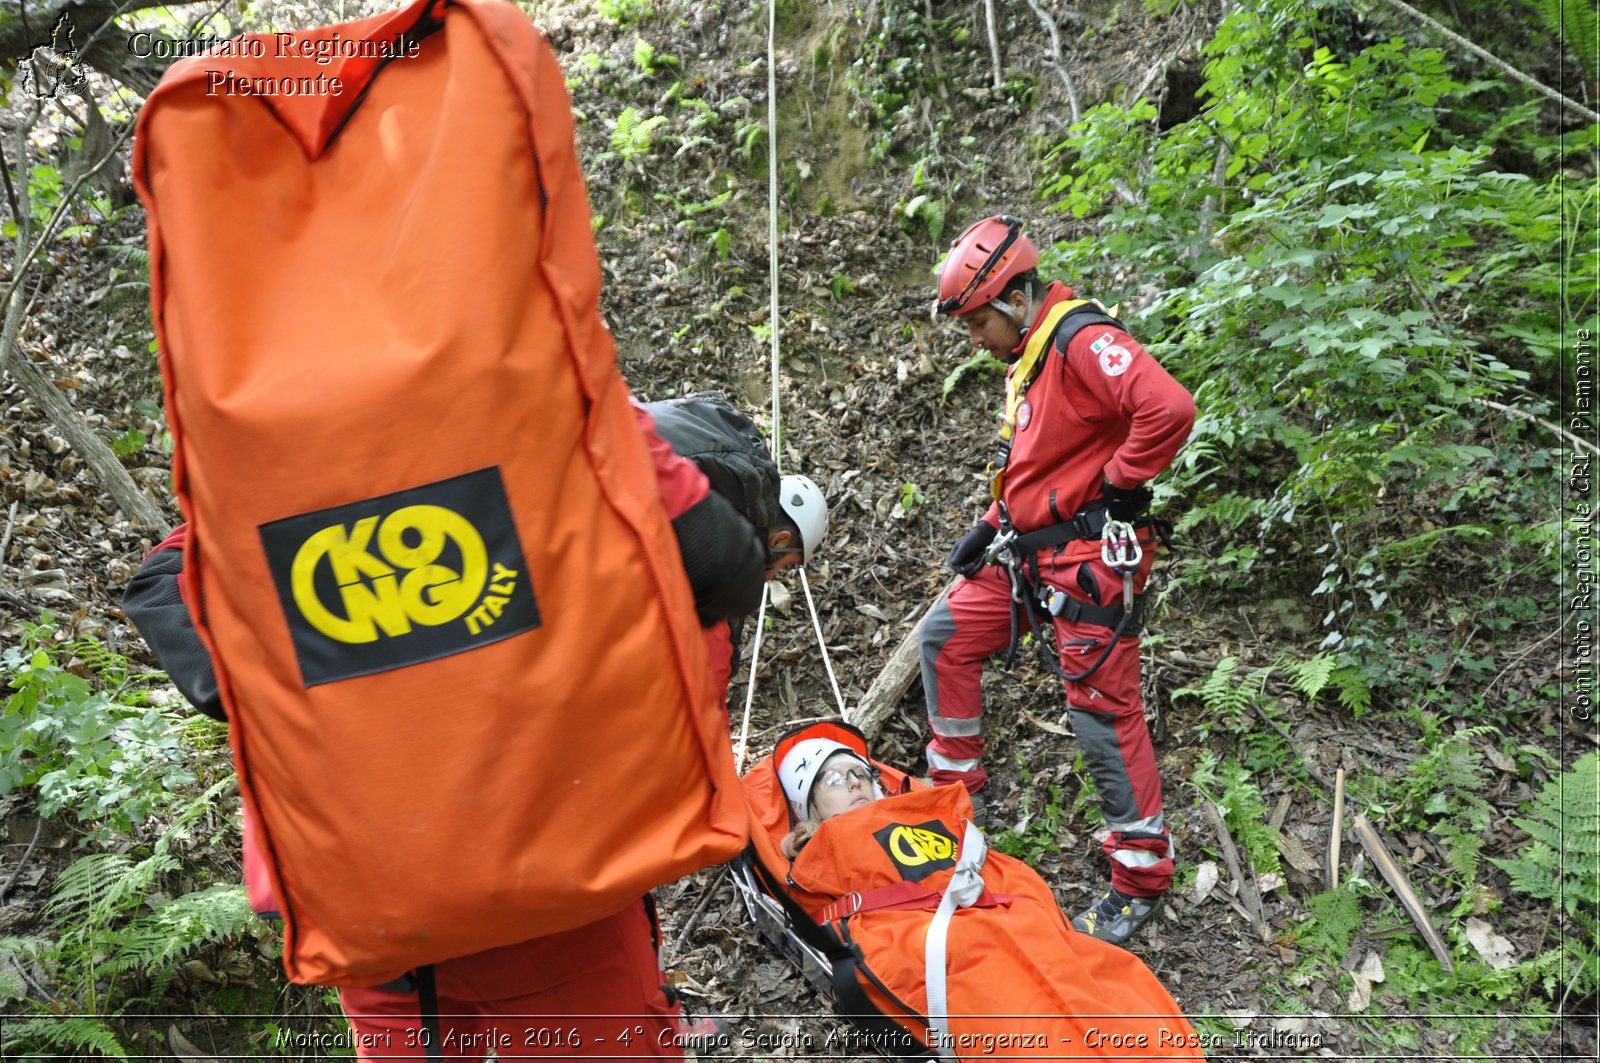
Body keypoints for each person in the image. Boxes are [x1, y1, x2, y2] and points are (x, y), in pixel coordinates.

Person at [123, 401, 828, 1060]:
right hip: (552, 920)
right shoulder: (668, 589)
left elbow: (164, 580)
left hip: (364, 911)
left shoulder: (354, 472)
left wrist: (302, 677)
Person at [921, 214, 1195, 948]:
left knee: (1101, 713)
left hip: (1087, 563)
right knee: (944, 637)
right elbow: (1040, 459)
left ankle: (1140, 877)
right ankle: (956, 809)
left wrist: (1122, 486)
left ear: (1014, 298)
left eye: (978, 322)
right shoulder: (1032, 356)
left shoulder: (1078, 340)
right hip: (1025, 553)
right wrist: (992, 519)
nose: (975, 340)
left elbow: (1168, 407)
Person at [775, 737, 886, 857]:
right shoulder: (818, 869)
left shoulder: (905, 815)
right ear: (813, 805)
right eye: (835, 780)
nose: (855, 781)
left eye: (860, 775)